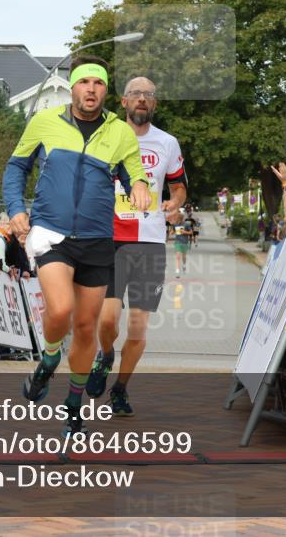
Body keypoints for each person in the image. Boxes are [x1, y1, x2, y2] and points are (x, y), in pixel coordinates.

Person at [3, 55, 150, 436]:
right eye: (84, 82)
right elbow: (16, 167)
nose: (91, 89)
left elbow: (134, 170)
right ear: (73, 87)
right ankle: (49, 358)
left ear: (105, 90)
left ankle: (73, 404)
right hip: (52, 234)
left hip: (98, 239)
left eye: (98, 83)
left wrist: (138, 185)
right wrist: (17, 208)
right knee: (62, 309)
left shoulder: (120, 133)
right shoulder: (44, 122)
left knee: (86, 327)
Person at [86, 76, 187, 416]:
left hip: (150, 241)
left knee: (139, 324)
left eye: (148, 95)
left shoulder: (167, 143)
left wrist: (175, 204)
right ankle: (105, 354)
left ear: (154, 104)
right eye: (135, 94)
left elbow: (179, 187)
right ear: (124, 102)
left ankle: (121, 388)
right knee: (108, 321)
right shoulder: (106, 137)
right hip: (111, 238)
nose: (141, 99)